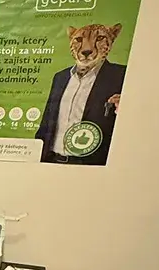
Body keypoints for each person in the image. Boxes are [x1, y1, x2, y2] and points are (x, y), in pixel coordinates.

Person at [35, 23, 125, 166]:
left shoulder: (122, 76)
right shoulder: (60, 77)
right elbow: (47, 122)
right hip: (52, 161)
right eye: (78, 40)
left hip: (92, 165)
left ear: (111, 40)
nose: (87, 48)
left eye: (99, 39)